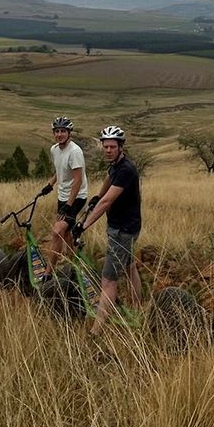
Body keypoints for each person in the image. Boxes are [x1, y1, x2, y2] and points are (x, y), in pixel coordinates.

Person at [76, 125, 141, 333]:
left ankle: (96, 331)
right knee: (129, 266)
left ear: (121, 147)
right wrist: (98, 195)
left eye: (112, 146)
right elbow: (108, 181)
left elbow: (106, 204)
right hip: (127, 226)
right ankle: (138, 308)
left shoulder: (126, 170)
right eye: (105, 147)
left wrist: (83, 226)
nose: (108, 150)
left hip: (123, 230)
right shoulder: (115, 165)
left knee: (108, 280)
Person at [42, 116, 89, 275]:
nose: (59, 134)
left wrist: (69, 204)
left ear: (69, 133)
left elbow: (78, 180)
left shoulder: (75, 152)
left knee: (57, 232)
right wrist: (50, 184)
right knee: (66, 231)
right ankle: (72, 261)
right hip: (62, 196)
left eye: (63, 131)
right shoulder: (54, 149)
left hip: (77, 197)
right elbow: (59, 169)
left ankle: (48, 274)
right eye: (57, 131)